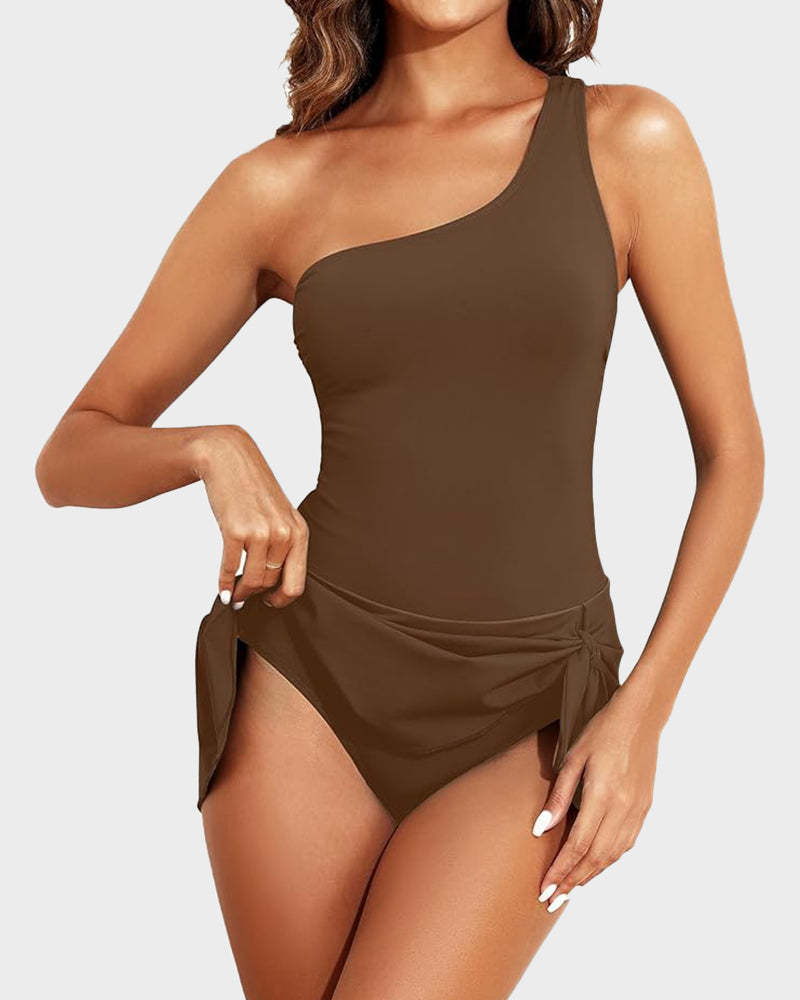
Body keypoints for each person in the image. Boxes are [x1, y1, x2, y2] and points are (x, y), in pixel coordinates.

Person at [35, 1, 764, 997]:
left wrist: (643, 714)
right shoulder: (278, 183)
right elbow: (70, 454)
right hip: (310, 683)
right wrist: (210, 448)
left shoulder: (627, 139)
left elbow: (731, 454)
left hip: (533, 693)